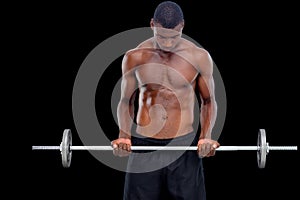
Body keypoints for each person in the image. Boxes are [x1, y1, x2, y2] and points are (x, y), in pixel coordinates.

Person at [111, 1, 220, 199]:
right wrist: (124, 135)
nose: (167, 43)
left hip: (183, 146)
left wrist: (206, 135)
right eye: (161, 36)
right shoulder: (135, 57)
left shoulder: (199, 57)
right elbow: (126, 100)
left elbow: (208, 101)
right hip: (145, 146)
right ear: (152, 25)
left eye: (174, 37)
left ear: (182, 27)